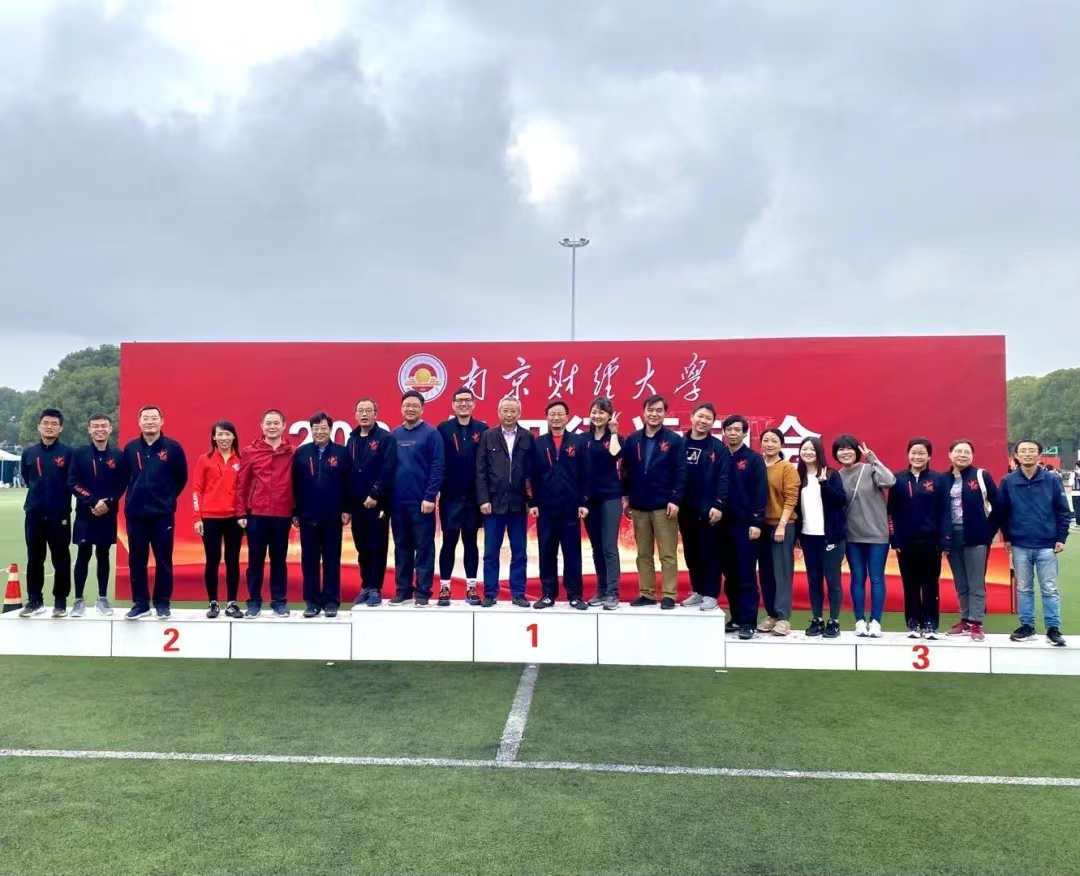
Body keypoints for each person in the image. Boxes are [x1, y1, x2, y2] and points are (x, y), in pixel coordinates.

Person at [1001, 439, 1071, 646]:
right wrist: (1007, 537)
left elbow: (1063, 511)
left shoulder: (1051, 479)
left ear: (1040, 455)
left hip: (1046, 544)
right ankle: (1027, 626)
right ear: (1016, 455)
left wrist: (1061, 538)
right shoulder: (1008, 481)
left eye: (1032, 450)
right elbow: (1003, 512)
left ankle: (1053, 629)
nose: (1028, 454)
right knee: (1024, 588)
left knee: (1049, 588)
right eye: (1023, 451)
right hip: (1020, 544)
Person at [122, 405, 188, 620]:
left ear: (162, 421)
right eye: (145, 418)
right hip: (135, 514)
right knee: (137, 560)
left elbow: (181, 478)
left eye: (154, 418)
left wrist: (166, 498)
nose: (149, 422)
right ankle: (141, 604)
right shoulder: (130, 448)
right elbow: (124, 477)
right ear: (139, 422)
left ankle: (162, 603)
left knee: (163, 560)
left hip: (162, 514)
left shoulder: (173, 447)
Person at [622, 395, 686, 610]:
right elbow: (625, 470)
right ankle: (647, 593)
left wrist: (675, 499)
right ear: (644, 412)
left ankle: (668, 594)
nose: (654, 414)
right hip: (639, 504)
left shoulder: (674, 440)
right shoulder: (633, 439)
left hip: (664, 505)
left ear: (665, 413)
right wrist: (626, 497)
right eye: (650, 410)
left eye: (659, 410)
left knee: (667, 553)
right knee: (643, 554)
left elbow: (681, 471)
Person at [529, 400, 589, 609]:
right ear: (547, 417)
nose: (556, 418)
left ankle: (575, 595)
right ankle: (548, 594)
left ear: (567, 417)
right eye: (552, 414)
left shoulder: (578, 442)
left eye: (560, 414)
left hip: (570, 508)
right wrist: (532, 502)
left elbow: (585, 474)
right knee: (547, 552)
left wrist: (584, 502)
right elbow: (531, 475)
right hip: (545, 508)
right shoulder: (538, 443)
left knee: (572, 553)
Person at [834, 434, 896, 638]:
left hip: (877, 535)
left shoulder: (869, 469)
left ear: (856, 451)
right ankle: (859, 621)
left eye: (849, 448)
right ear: (835, 453)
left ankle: (876, 621)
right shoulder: (836, 476)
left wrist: (873, 459)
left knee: (876, 578)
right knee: (857, 578)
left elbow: (890, 481)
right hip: (852, 537)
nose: (845, 452)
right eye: (841, 449)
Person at [236, 409, 296, 618]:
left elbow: (297, 484)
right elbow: (242, 484)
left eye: (276, 423)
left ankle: (279, 602)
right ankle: (254, 602)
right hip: (257, 513)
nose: (272, 427)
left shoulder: (293, 452)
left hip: (282, 513)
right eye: (268, 423)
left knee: (279, 560)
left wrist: (295, 511)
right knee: (255, 561)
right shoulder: (250, 451)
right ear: (262, 426)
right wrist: (241, 513)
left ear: (284, 425)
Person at [476, 397, 534, 608]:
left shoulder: (527, 437)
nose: (509, 415)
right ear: (499, 412)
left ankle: (518, 593)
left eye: (513, 411)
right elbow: (480, 471)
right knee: (491, 552)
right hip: (493, 504)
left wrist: (531, 500)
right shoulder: (488, 436)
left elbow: (532, 472)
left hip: (518, 504)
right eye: (505, 411)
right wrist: (483, 499)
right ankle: (490, 593)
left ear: (519, 413)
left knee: (519, 552)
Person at [388, 391, 445, 607]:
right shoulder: (394, 434)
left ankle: (422, 592)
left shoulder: (431, 434)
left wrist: (430, 496)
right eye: (407, 406)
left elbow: (438, 466)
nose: (410, 409)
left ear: (422, 409)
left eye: (415, 406)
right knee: (401, 547)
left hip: (422, 503)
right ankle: (403, 591)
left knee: (424, 548)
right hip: (398, 503)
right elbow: (388, 467)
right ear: (401, 408)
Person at [292, 413, 351, 618]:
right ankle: (312, 602)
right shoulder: (301, 453)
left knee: (332, 560)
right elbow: (294, 484)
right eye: (316, 428)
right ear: (311, 430)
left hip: (333, 516)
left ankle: (331, 601)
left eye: (323, 428)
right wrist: (295, 512)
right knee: (309, 561)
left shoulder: (342, 453)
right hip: (307, 516)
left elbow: (348, 484)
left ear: (331, 430)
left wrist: (346, 509)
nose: (319, 432)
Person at [939, 438, 998, 642]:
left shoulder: (981, 475)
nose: (962, 455)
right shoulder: (943, 479)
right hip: (952, 537)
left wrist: (988, 532)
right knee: (961, 582)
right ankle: (965, 619)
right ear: (950, 454)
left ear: (972, 456)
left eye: (967, 452)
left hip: (976, 537)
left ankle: (976, 623)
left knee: (976, 582)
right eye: (958, 451)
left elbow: (998, 506)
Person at [68, 413, 127, 617]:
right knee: (83, 554)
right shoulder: (79, 454)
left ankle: (102, 599)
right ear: (89, 429)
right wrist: (93, 501)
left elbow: (121, 483)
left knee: (103, 555)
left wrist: (108, 502)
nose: (100, 429)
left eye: (103, 426)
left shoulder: (118, 455)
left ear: (110, 429)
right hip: (86, 513)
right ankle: (78, 600)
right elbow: (72, 482)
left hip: (107, 513)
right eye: (95, 426)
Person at [887, 437, 944, 638]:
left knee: (930, 583)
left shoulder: (938, 479)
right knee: (910, 583)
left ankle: (930, 623)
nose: (917, 457)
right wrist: (894, 538)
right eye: (913, 452)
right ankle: (912, 622)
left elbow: (944, 511)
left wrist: (942, 539)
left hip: (931, 542)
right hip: (905, 543)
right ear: (908, 454)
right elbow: (891, 512)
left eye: (921, 453)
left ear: (929, 456)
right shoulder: (898, 479)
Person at [19, 409, 74, 618]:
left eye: (54, 424)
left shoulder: (68, 453)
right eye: (46, 423)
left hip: (59, 515)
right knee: (34, 558)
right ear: (39, 426)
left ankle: (60, 601)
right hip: (34, 514)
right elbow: (27, 478)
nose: (49, 427)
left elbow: (72, 481)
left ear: (61, 428)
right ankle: (35, 601)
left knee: (61, 558)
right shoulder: (29, 453)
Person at [436, 388, 488, 605]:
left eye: (468, 400)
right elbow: (438, 462)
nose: (464, 404)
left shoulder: (482, 429)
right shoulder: (443, 429)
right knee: (449, 542)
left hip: (473, 498)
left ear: (473, 404)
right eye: (460, 400)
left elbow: (486, 464)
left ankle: (471, 588)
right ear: (453, 404)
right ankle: (444, 587)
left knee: (470, 542)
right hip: (450, 497)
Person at [678, 403, 728, 612]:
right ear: (692, 417)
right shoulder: (679, 444)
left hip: (708, 511)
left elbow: (724, 479)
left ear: (713, 422)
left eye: (708, 418)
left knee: (710, 552)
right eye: (700, 416)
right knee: (691, 552)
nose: (703, 421)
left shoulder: (718, 448)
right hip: (684, 509)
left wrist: (718, 504)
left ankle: (710, 594)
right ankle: (697, 590)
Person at [191, 421, 244, 619]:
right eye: (220, 434)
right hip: (210, 518)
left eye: (227, 434)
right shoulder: (204, 459)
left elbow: (245, 490)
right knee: (212, 560)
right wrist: (197, 517)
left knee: (232, 560)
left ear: (234, 436)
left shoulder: (242, 460)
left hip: (234, 518)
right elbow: (196, 490)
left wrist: (243, 515)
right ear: (213, 437)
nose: (224, 438)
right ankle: (213, 602)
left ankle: (232, 603)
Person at [347, 398, 396, 607]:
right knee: (362, 547)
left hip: (379, 504)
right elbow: (348, 473)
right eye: (361, 410)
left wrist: (375, 494)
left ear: (376, 414)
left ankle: (376, 587)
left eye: (369, 410)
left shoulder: (385, 438)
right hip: (357, 504)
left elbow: (388, 468)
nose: (364, 414)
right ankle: (366, 585)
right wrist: (347, 505)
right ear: (355, 414)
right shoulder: (352, 440)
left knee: (377, 545)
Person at [795, 436, 846, 638]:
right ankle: (817, 619)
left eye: (812, 449)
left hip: (831, 537)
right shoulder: (798, 476)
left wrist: (824, 484)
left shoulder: (831, 474)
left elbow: (841, 500)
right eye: (804, 449)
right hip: (809, 537)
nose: (808, 452)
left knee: (833, 580)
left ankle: (834, 621)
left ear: (819, 452)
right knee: (814, 580)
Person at [758, 427, 799, 636]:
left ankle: (783, 618)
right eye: (766, 440)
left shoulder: (787, 467)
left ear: (781, 444)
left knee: (781, 573)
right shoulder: (757, 466)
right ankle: (771, 615)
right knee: (765, 573)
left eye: (774, 440)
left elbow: (791, 498)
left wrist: (782, 524)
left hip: (782, 525)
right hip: (761, 526)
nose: (769, 444)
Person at [584, 397, 623, 610]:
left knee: (609, 546)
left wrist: (614, 432)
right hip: (590, 500)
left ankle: (612, 593)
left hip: (611, 497)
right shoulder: (583, 439)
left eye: (602, 412)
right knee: (596, 547)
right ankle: (600, 590)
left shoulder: (615, 438)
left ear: (609, 416)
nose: (597, 416)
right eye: (594, 412)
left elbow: (616, 454)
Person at [1070, 461, 1080, 530]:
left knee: (1077, 508)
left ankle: (1078, 523)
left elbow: (1070, 483)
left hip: (1076, 493)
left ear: (1077, 465)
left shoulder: (1074, 473)